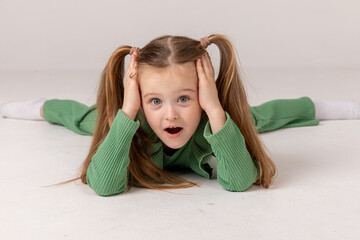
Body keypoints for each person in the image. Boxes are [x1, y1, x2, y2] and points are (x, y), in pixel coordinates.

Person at [1, 34, 360, 197]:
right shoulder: (133, 118)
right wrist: (128, 112)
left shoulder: (211, 119)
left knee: (258, 117)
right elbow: (104, 186)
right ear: (141, 100)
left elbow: (239, 182)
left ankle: (321, 106)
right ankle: (39, 106)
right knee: (84, 119)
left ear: (202, 95)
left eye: (184, 98)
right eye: (155, 100)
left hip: (215, 114)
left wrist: (215, 109)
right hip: (127, 119)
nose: (170, 113)